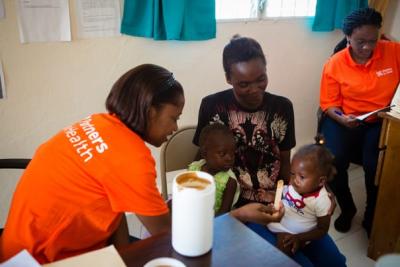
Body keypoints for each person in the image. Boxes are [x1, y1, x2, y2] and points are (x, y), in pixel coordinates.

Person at [0, 64, 185, 263]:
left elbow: (115, 202)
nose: (175, 127)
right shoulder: (132, 159)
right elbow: (165, 233)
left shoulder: (98, 123)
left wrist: (122, 257)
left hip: (15, 245)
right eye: (174, 118)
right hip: (38, 260)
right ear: (150, 112)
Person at [194, 35, 346, 267]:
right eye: (243, 84)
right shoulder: (211, 106)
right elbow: (201, 159)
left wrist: (312, 189)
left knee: (335, 262)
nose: (255, 90)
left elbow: (286, 163)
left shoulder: (282, 107)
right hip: (239, 207)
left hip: (282, 201)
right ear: (228, 78)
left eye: (261, 79)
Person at [319, 7, 400, 236]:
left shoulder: (393, 51)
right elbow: (329, 104)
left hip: (379, 120)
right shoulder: (335, 64)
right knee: (332, 161)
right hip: (345, 118)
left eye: (372, 41)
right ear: (347, 38)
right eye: (360, 41)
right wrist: (342, 119)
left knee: (375, 165)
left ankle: (372, 214)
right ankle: (347, 208)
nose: (367, 48)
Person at [267, 139, 336, 257]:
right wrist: (271, 196)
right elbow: (284, 193)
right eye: (292, 173)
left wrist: (299, 238)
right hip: (278, 218)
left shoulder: (321, 200)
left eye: (302, 177)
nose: (294, 180)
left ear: (321, 181)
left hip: (292, 233)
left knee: (281, 252)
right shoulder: (296, 185)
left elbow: (322, 230)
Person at [188, 123, 240, 215]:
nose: (229, 158)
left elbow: (223, 214)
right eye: (222, 154)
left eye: (232, 153)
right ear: (204, 153)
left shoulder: (230, 182)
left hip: (215, 223)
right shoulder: (193, 169)